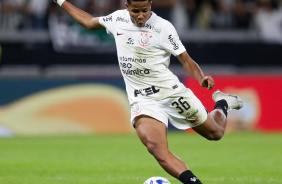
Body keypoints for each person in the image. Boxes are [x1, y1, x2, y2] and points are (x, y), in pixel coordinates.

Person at [53, 0, 243, 183]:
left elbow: (185, 58)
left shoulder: (163, 27)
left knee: (214, 133)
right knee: (155, 147)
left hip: (171, 93)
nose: (141, 15)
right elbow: (88, 21)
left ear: (151, 5)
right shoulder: (117, 19)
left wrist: (200, 77)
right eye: (136, 11)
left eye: (145, 9)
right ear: (127, 7)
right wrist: (61, 1)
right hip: (143, 99)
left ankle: (223, 102)